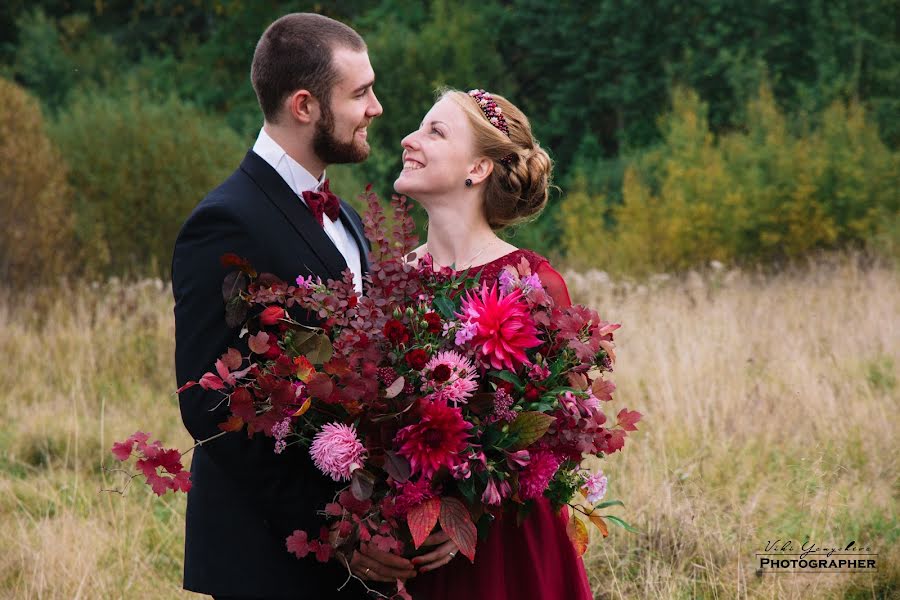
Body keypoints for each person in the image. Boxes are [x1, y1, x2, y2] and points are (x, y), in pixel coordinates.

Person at [172, 13, 417, 599]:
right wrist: (338, 530)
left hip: (354, 557)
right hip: (268, 562)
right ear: (304, 105)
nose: (377, 108)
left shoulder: (347, 219)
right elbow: (214, 410)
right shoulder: (225, 222)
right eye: (360, 93)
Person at [394, 89, 593, 600]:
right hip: (407, 544)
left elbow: (556, 432)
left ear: (478, 168)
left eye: (434, 132)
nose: (407, 141)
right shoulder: (391, 283)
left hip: (504, 543)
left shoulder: (530, 283)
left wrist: (470, 512)